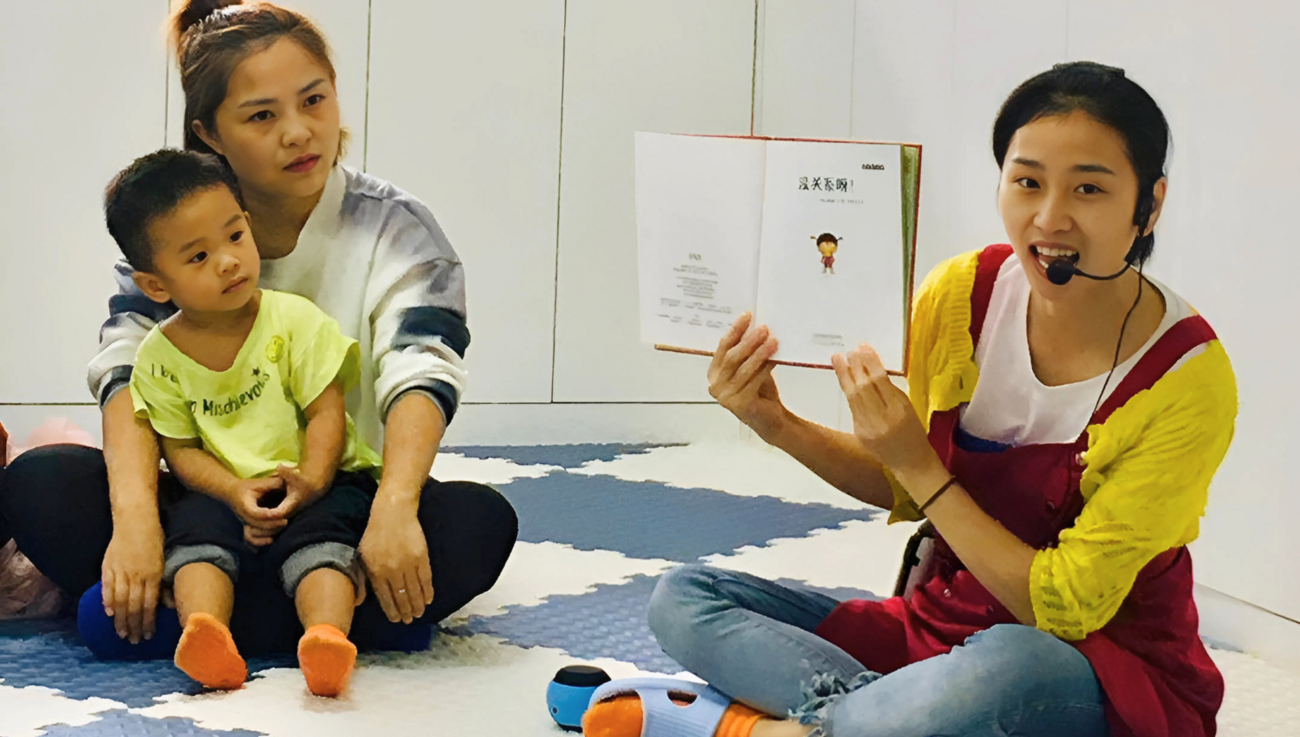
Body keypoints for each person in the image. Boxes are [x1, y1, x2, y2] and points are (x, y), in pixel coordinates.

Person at [583, 62, 1237, 737]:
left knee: (1010, 660)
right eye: (1027, 182)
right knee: (684, 598)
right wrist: (774, 421)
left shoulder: (1186, 378)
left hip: (1092, 670)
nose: (1050, 218)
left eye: (1089, 188)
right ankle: (865, 722)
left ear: (1149, 206)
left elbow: (1064, 609)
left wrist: (920, 466)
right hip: (935, 633)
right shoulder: (960, 296)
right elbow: (907, 486)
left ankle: (782, 727)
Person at [0, 0, 517, 655]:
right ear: (210, 133)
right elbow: (126, 372)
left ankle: (184, 617)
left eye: (314, 100)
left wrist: (394, 506)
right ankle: (340, 620)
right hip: (203, 504)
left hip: (342, 499)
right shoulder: (169, 223)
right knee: (41, 482)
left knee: (479, 522)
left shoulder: (396, 226)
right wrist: (135, 526)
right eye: (262, 115)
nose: (299, 132)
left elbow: (421, 364)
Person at [106, 148, 387, 694]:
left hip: (315, 483)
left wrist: (310, 481)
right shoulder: (158, 357)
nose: (229, 261)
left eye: (235, 236)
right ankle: (206, 632)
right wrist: (232, 491)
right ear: (156, 285)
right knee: (194, 542)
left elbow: (326, 413)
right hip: (224, 491)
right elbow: (181, 450)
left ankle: (326, 637)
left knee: (324, 546)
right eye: (198, 256)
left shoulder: (294, 320)